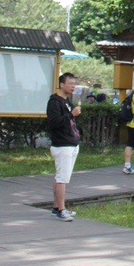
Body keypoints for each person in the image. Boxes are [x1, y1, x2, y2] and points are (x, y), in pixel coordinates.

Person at [46, 71, 81, 221]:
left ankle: (56, 206)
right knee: (62, 178)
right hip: (62, 144)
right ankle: (62, 209)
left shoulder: (67, 101)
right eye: (70, 84)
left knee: (61, 176)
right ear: (61, 84)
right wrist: (71, 114)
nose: (73, 87)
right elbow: (54, 122)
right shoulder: (54, 102)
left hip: (71, 143)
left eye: (74, 84)